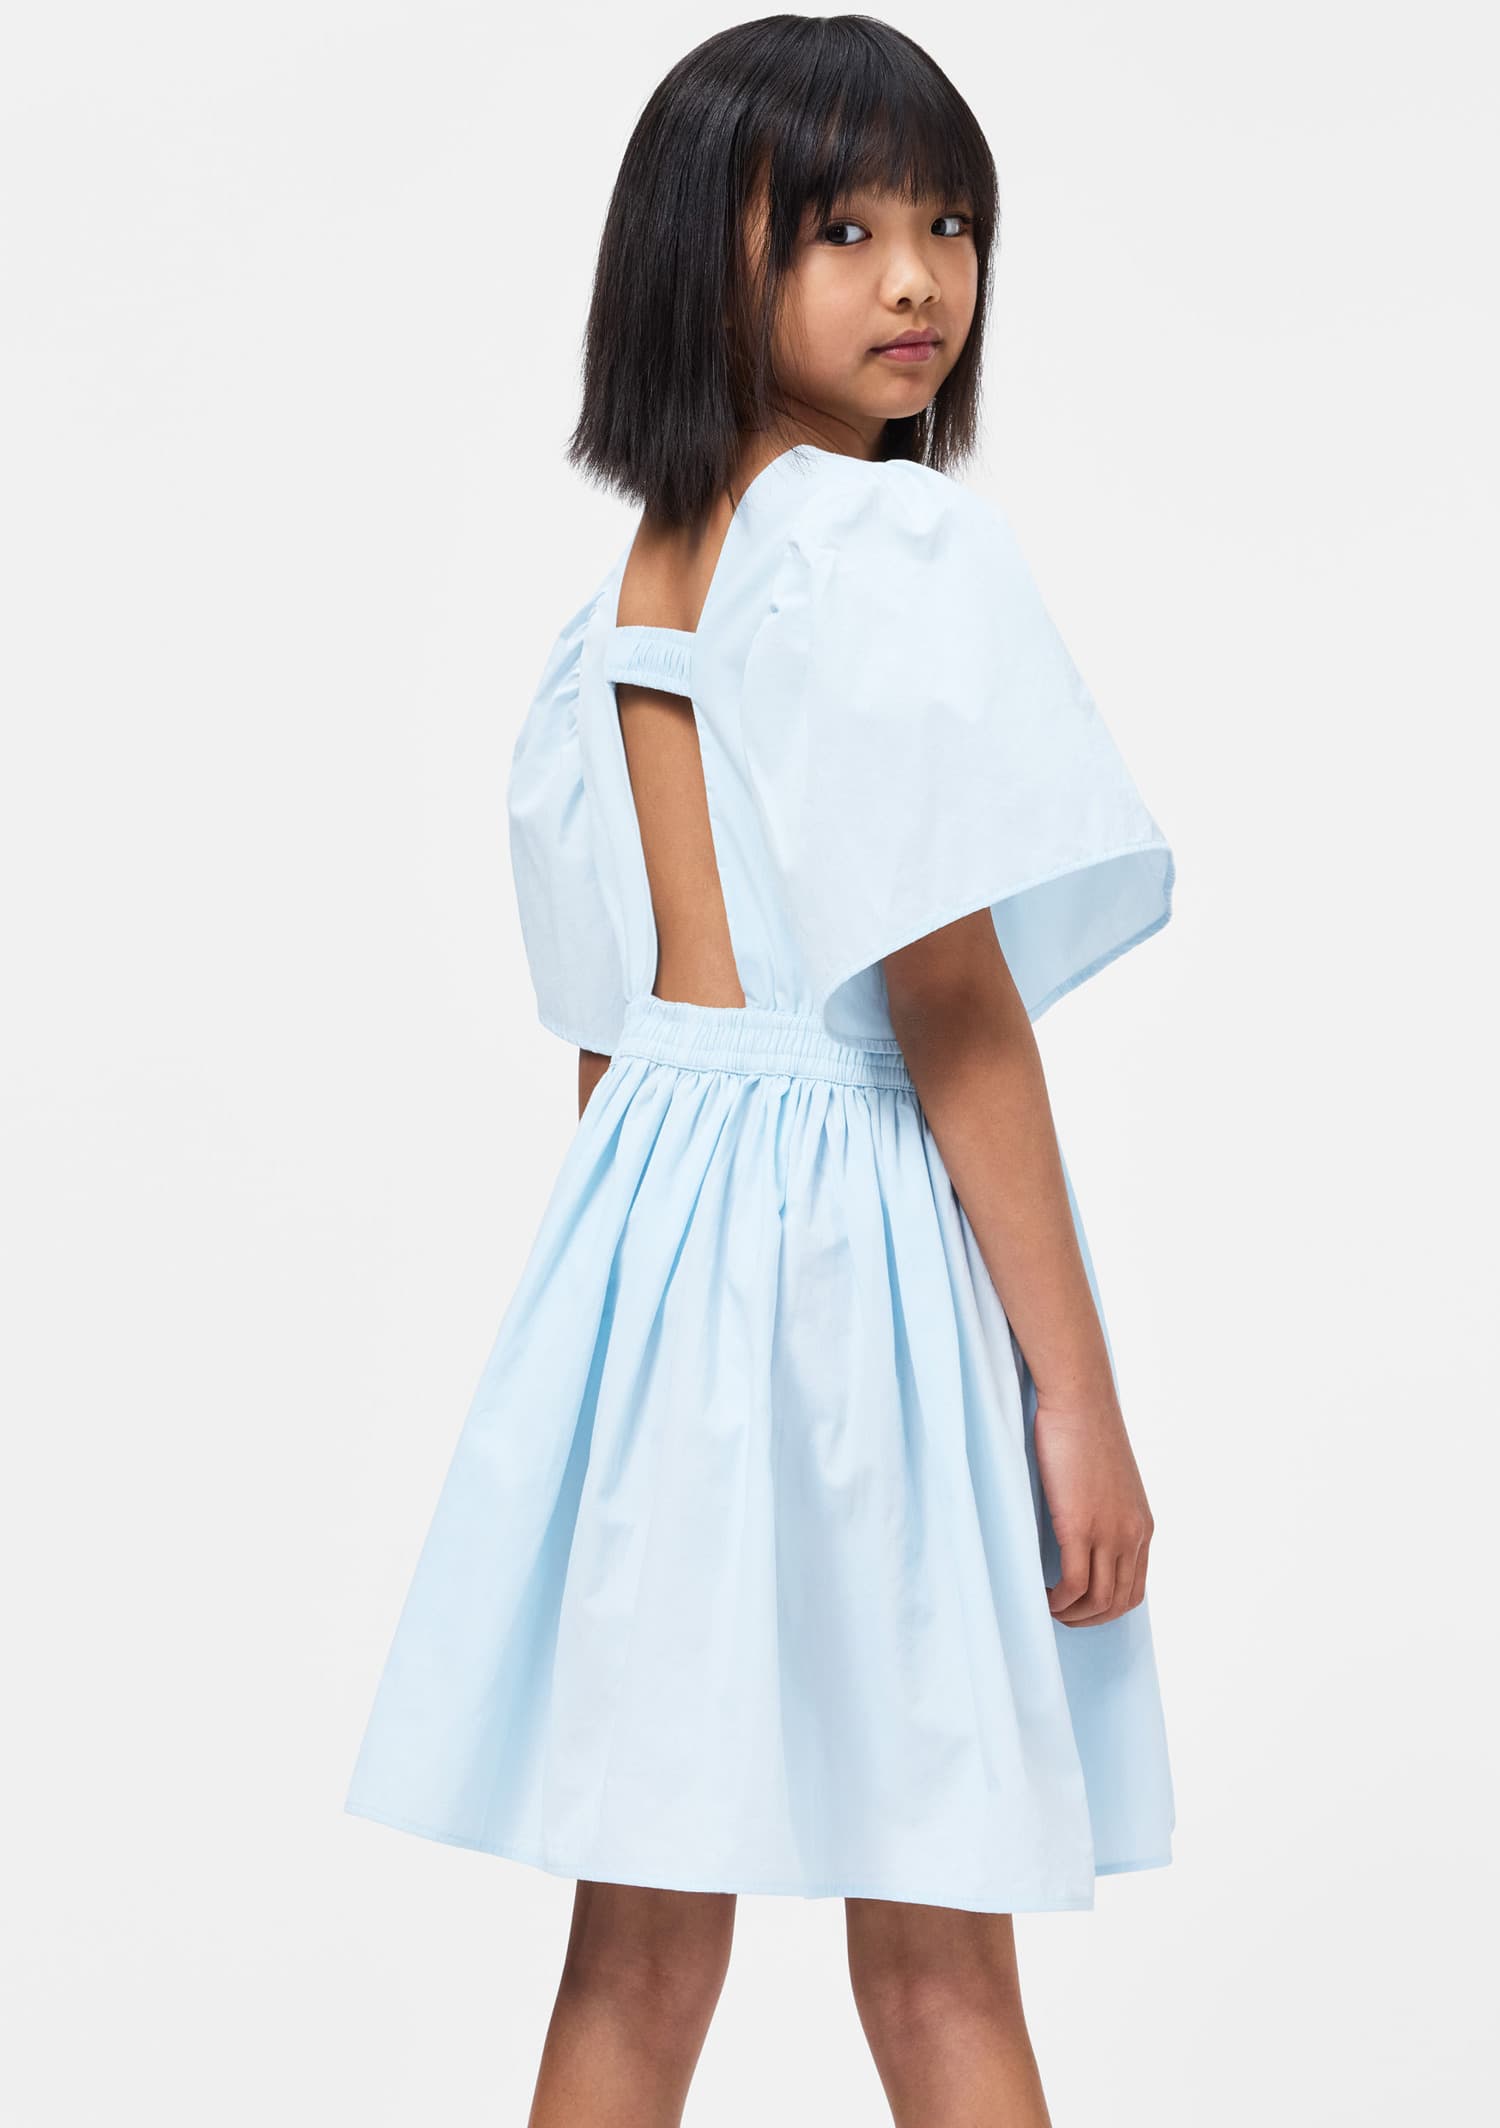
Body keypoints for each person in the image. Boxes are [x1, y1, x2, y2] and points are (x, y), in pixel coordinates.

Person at [345, 17, 1177, 2124]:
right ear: (701, 253)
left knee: (636, 1950)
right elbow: (949, 1001)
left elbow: (610, 1034)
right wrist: (1074, 1397)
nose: (918, 280)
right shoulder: (882, 551)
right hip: (863, 1260)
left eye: (950, 225)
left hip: (653, 1269)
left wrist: (615, 1370)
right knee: (940, 1954)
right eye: (844, 230)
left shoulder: (621, 604)